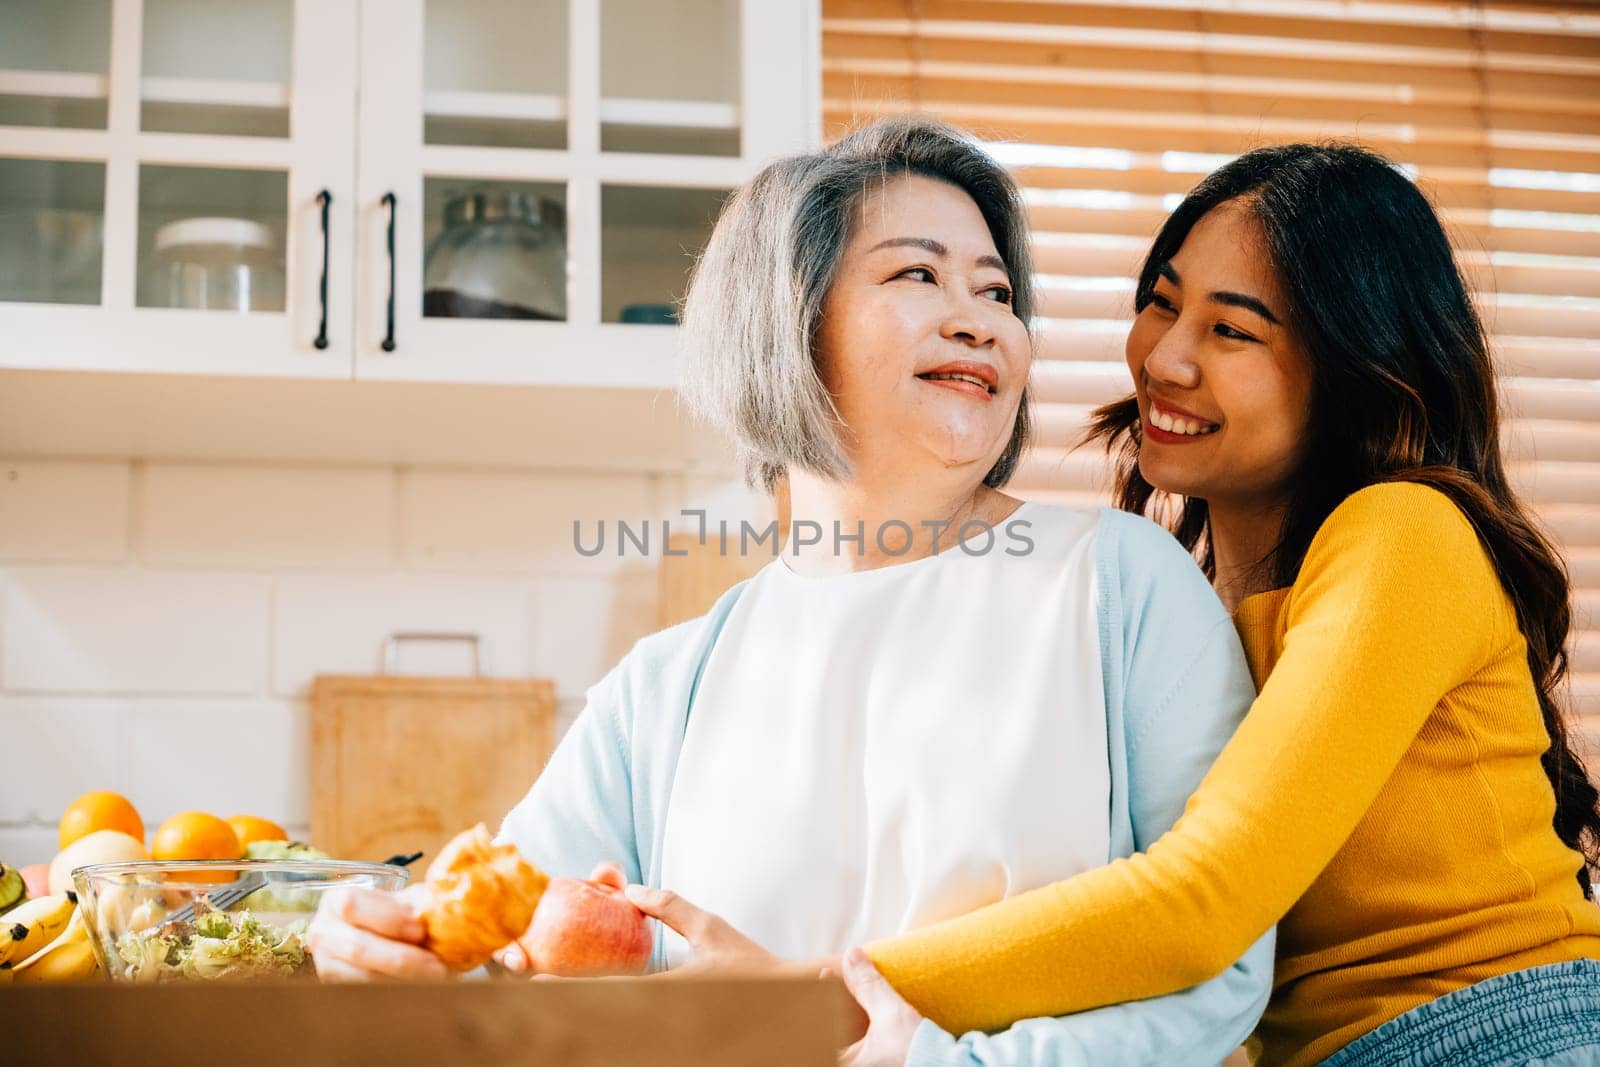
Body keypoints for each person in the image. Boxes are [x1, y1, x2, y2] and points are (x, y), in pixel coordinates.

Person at [306, 116, 1275, 1064]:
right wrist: (377, 945)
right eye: (917, 273)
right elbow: (497, 967)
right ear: (787, 317)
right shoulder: (666, 685)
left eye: (996, 289)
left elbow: (1222, 975)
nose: (980, 317)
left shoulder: (1123, 586)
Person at [840, 142, 1600, 1066]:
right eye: (1162, 301)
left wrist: (816, 993)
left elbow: (1203, 902)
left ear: (1354, 363)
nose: (1163, 356)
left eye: (1232, 331)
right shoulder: (1177, 608)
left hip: (1503, 1037)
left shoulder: (1406, 532)